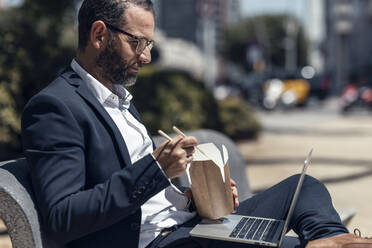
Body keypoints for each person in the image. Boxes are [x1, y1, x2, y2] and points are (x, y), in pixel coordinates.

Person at [21, 0, 372, 248]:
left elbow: (149, 200)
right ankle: (335, 242)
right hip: (158, 243)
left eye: (149, 44)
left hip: (189, 229)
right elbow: (63, 217)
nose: (146, 56)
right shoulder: (55, 108)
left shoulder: (119, 100)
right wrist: (154, 170)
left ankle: (330, 241)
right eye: (138, 42)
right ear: (99, 35)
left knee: (304, 186)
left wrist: (196, 199)